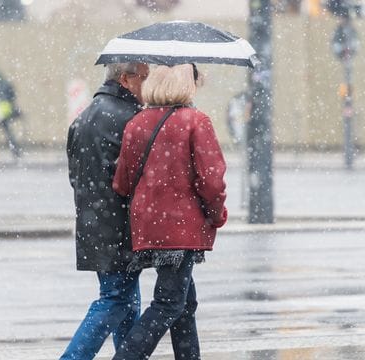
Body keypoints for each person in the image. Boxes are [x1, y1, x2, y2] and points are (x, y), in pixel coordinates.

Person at [111, 63, 228, 360]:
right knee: (168, 304)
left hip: (149, 227)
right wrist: (216, 215)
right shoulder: (195, 121)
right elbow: (211, 181)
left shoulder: (136, 123)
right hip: (182, 230)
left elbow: (122, 183)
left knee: (184, 304)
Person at [62, 62, 149, 360]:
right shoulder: (131, 119)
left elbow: (75, 176)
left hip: (94, 225)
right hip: (120, 227)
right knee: (115, 300)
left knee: (126, 301)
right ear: (125, 79)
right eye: (143, 78)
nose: (147, 85)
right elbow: (136, 178)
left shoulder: (84, 116)